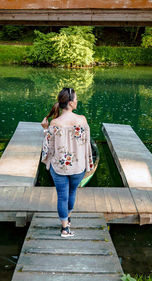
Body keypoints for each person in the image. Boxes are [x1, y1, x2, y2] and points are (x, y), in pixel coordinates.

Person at [41, 87, 94, 237]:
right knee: (72, 193)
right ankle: (68, 219)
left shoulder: (54, 123)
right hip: (78, 167)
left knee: (62, 196)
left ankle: (65, 228)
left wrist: (45, 130)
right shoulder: (82, 120)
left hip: (59, 168)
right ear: (70, 103)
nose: (77, 101)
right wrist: (88, 163)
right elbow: (87, 144)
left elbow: (48, 148)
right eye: (76, 99)